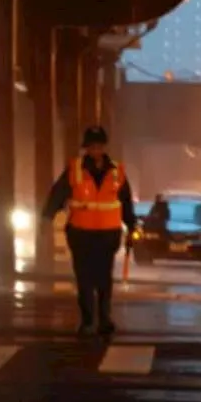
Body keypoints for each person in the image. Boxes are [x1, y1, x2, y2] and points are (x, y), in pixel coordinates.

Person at [40, 125, 137, 336]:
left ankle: (104, 318)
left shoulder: (117, 172)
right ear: (86, 148)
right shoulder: (75, 169)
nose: (95, 150)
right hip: (81, 234)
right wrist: (47, 217)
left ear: (103, 147)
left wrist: (132, 225)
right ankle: (87, 320)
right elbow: (58, 193)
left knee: (103, 279)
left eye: (99, 146)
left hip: (107, 235)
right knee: (84, 279)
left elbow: (126, 201)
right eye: (91, 147)